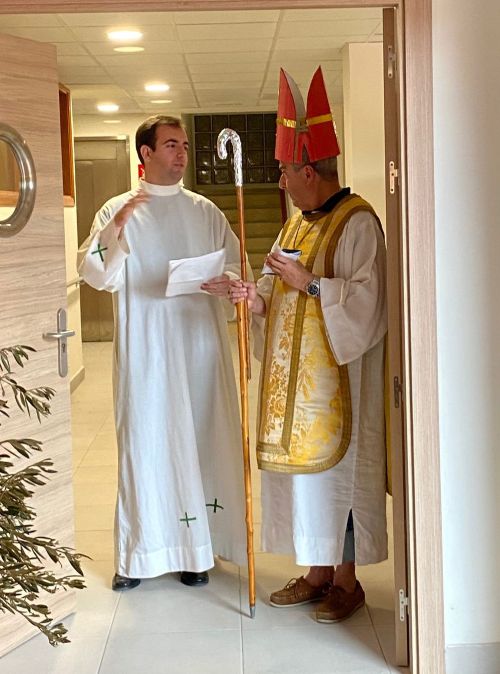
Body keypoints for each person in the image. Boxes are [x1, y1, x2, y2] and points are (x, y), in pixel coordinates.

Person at [230, 67, 388, 622]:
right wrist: (255, 299)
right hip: (294, 393)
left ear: (308, 170)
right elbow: (279, 291)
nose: (280, 182)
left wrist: (311, 283)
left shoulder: (357, 223)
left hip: (335, 389)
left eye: (284, 172)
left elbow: (369, 304)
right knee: (307, 485)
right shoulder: (295, 225)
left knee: (339, 480)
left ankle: (347, 581)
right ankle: (318, 573)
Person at [77, 115, 247, 591]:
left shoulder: (205, 211)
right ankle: (139, 554)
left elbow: (235, 264)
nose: (182, 153)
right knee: (147, 443)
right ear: (146, 153)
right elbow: (95, 274)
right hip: (147, 347)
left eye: (185, 146)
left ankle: (196, 552)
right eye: (171, 145)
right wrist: (115, 232)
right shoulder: (116, 209)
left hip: (198, 344)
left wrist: (230, 282)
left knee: (200, 441)